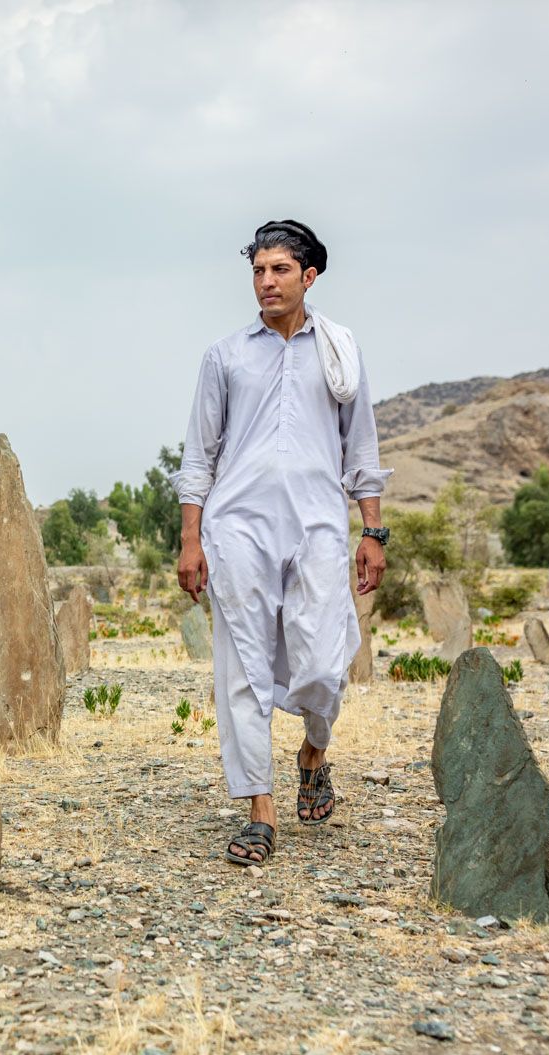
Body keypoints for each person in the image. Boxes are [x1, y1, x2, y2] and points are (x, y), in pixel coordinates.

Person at [171, 220, 391, 867]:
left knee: (324, 662)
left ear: (309, 276)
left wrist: (372, 530)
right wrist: (191, 539)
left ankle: (313, 752)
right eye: (258, 271)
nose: (266, 282)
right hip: (237, 528)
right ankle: (259, 809)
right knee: (242, 665)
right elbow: (197, 455)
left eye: (279, 270)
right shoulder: (225, 355)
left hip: (319, 524)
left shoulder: (340, 352)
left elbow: (363, 450)